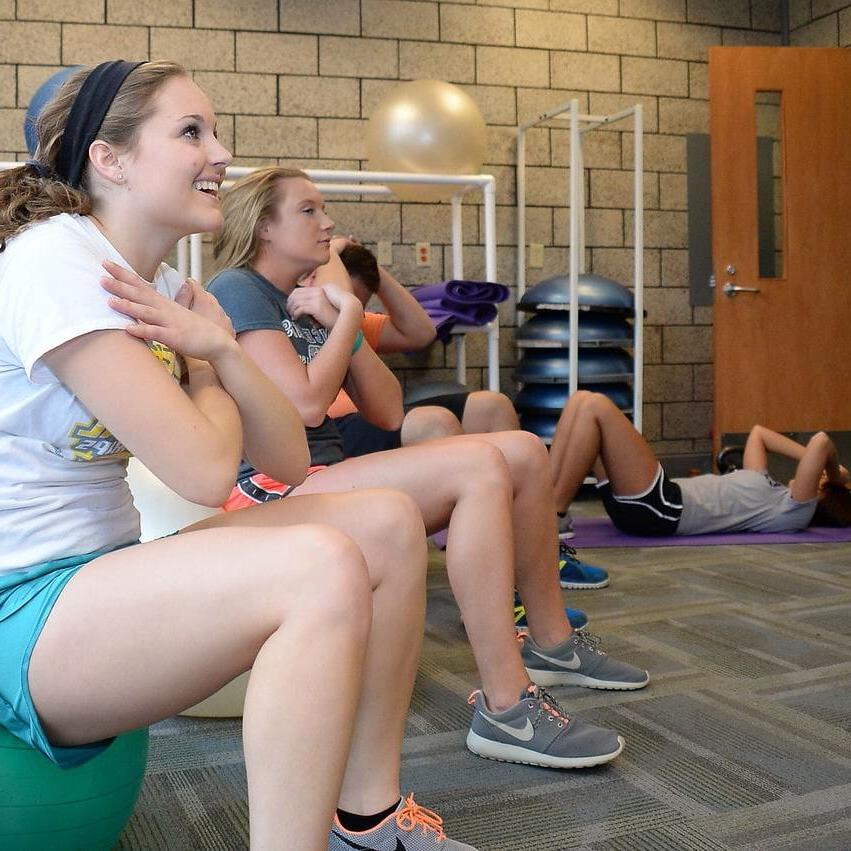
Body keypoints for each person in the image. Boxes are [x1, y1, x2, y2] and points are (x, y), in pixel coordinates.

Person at [0, 60, 477, 851]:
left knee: (388, 523)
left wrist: (217, 346)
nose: (221, 152)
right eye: (191, 132)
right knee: (318, 564)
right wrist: (203, 360)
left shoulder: (154, 280)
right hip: (23, 604)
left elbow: (286, 459)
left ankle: (367, 817)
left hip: (99, 574)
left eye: (213, 130)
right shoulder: (56, 261)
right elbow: (202, 471)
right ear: (109, 159)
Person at [207, 167, 651, 778]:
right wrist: (344, 317)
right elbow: (305, 404)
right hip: (269, 489)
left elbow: (387, 410)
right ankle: (506, 706)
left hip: (327, 476)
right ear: (263, 226)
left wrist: (343, 318)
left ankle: (553, 644)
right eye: (309, 210)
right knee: (478, 464)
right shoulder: (238, 289)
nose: (328, 223)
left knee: (520, 448)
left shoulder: (308, 299)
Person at [549, 390, 850, 536]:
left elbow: (821, 441)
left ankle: (552, 517)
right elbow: (759, 435)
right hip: (648, 506)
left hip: (662, 509)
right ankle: (543, 507)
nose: (817, 478)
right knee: (580, 401)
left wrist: (834, 474)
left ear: (819, 497)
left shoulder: (794, 511)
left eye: (820, 484)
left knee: (595, 406)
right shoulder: (771, 488)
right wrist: (826, 473)